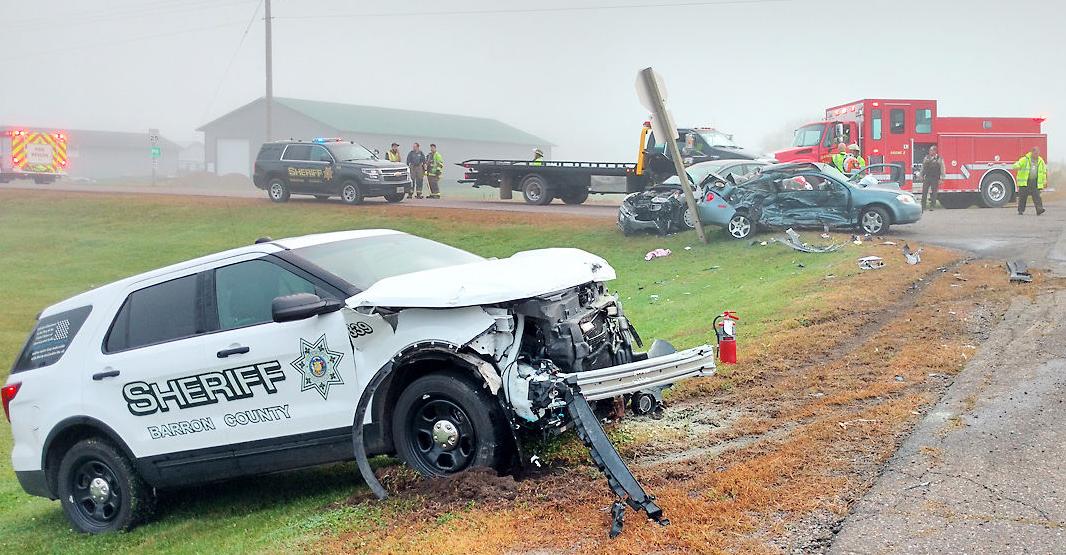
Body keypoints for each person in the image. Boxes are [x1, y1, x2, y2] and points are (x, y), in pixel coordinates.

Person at [1014, 146, 1047, 215]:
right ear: (1032, 152)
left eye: (1038, 153)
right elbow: (1017, 164)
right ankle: (1021, 210)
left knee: (1037, 196)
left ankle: (1039, 209)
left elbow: (1043, 171)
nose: (1037, 155)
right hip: (1025, 181)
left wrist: (1044, 181)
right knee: (1023, 197)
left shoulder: (1041, 161)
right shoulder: (1025, 159)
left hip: (1035, 182)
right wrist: (1017, 166)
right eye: (1035, 153)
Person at [920, 145, 946, 210]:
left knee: (934, 192)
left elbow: (942, 169)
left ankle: (932, 206)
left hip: (935, 178)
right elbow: (923, 167)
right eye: (929, 150)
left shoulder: (939, 158)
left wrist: (942, 178)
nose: (930, 151)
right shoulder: (926, 158)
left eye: (931, 150)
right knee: (924, 191)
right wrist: (921, 175)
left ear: (935, 151)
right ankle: (923, 206)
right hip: (927, 177)